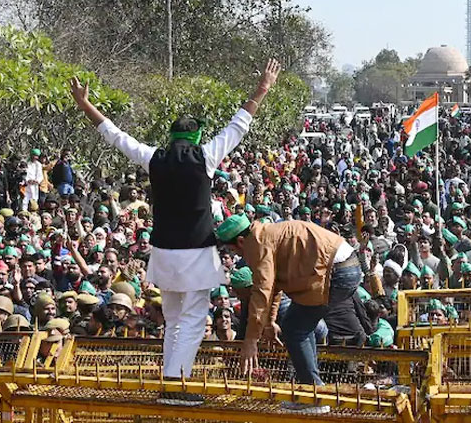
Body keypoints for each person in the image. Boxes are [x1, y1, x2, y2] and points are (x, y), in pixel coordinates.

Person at [68, 58, 280, 407]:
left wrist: (85, 104)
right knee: (193, 321)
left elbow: (116, 135)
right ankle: (176, 386)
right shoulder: (206, 156)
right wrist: (261, 90)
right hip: (196, 255)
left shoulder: (154, 158)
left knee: (174, 320)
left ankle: (172, 382)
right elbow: (238, 126)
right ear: (195, 136)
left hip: (164, 255)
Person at [217, 215, 356, 414]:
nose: (239, 257)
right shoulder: (266, 235)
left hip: (337, 271)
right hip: (343, 267)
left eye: (234, 251)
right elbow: (275, 286)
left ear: (240, 241)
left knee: (294, 329)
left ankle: (315, 395)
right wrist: (270, 322)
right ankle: (312, 391)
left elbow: (263, 291)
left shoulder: (258, 243)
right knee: (297, 327)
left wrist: (251, 340)